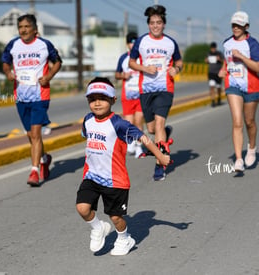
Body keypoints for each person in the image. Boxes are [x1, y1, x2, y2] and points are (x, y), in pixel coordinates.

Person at [76, 77, 170, 256]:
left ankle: (124, 238)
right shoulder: (88, 119)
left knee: (116, 218)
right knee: (82, 208)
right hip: (91, 176)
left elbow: (143, 138)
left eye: (102, 98)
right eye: (92, 99)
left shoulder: (119, 124)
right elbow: (86, 135)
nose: (97, 103)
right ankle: (98, 228)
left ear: (113, 100)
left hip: (115, 180)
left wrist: (160, 156)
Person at [1, 14, 62, 186]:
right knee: (30, 135)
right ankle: (44, 158)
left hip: (39, 95)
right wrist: (8, 73)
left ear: (35, 29)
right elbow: (5, 62)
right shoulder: (13, 45)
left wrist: (49, 76)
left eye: (27, 27)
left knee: (35, 134)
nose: (23, 30)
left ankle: (34, 172)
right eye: (20, 27)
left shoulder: (44, 44)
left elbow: (57, 62)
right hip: (21, 95)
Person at [128, 4, 183, 181]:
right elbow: (131, 62)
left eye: (159, 22)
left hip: (165, 88)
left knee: (158, 126)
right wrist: (144, 68)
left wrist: (176, 69)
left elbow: (179, 62)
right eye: (152, 23)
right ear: (148, 24)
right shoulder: (141, 41)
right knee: (151, 128)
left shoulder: (170, 43)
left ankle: (160, 166)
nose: (155, 26)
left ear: (163, 24)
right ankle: (164, 133)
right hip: (146, 90)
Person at [218, 11, 259, 172]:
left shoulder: (253, 44)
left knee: (249, 122)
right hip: (233, 85)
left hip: (251, 86)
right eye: (233, 25)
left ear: (246, 26)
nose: (236, 28)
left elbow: (258, 67)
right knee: (237, 121)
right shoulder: (227, 43)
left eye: (239, 25)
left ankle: (252, 148)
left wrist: (242, 57)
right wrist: (223, 71)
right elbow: (226, 62)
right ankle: (238, 159)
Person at [115, 32, 144, 158]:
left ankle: (139, 146)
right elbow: (116, 74)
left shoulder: (142, 58)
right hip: (127, 96)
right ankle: (132, 142)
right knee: (129, 123)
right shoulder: (123, 58)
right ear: (127, 44)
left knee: (138, 121)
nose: (133, 45)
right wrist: (123, 75)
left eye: (135, 42)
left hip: (140, 95)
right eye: (131, 42)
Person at [205, 42, 224, 107]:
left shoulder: (219, 53)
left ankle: (219, 99)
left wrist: (219, 59)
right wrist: (207, 60)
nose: (213, 49)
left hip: (218, 73)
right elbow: (206, 61)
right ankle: (213, 101)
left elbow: (223, 61)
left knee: (218, 87)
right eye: (212, 48)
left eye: (214, 48)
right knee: (212, 86)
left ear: (215, 48)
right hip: (211, 73)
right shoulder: (208, 54)